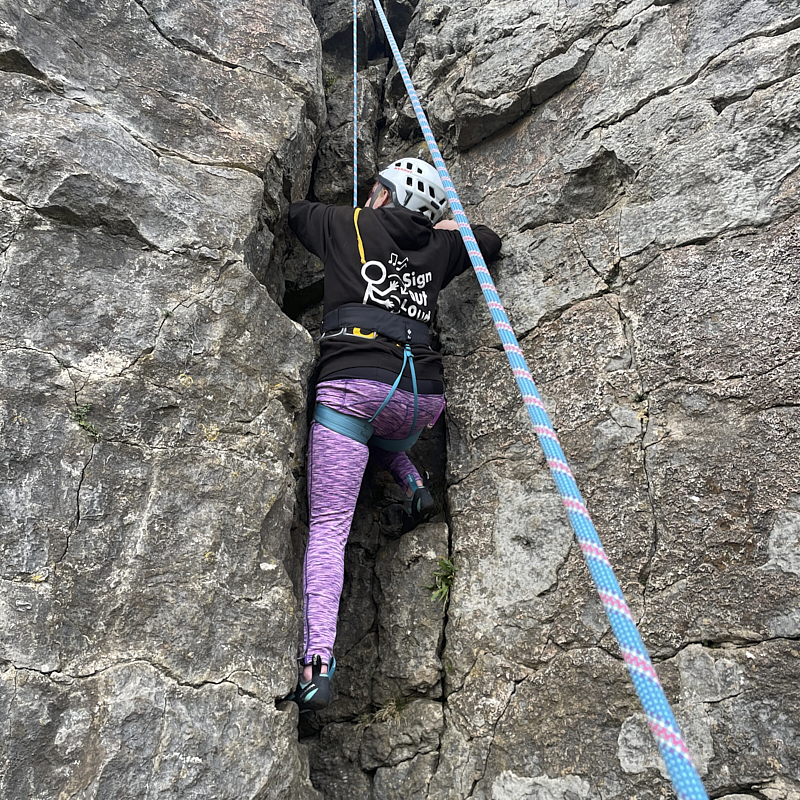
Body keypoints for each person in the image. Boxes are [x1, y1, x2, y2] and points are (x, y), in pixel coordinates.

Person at [286, 157, 501, 712]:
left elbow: (295, 214)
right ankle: (410, 482)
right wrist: (448, 231)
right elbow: (490, 242)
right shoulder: (442, 248)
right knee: (376, 440)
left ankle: (318, 659)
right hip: (416, 404)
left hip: (354, 387)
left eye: (374, 189)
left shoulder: (346, 224)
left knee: (330, 525)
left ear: (383, 195)